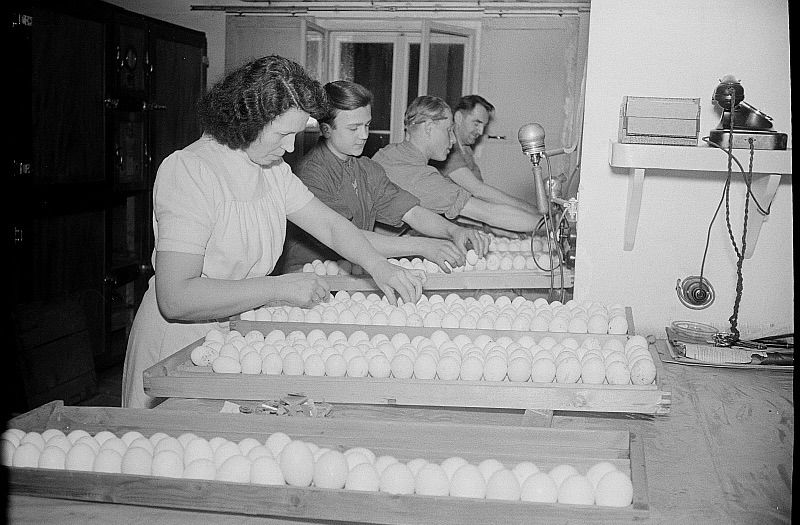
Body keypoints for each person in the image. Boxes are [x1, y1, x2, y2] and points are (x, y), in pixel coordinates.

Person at [122, 56, 425, 409]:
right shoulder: (191, 170)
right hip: (177, 346)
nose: (291, 147)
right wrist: (277, 288)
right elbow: (176, 297)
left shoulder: (271, 169)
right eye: (283, 134)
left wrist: (379, 265)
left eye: (295, 134)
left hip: (232, 338)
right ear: (247, 120)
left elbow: (328, 224)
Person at [281, 81, 488, 273]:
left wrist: (454, 231)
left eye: (367, 125)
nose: (363, 135)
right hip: (310, 274)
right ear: (326, 129)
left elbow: (411, 212)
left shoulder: (365, 168)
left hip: (353, 271)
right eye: (354, 128)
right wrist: (423, 245)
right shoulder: (310, 173)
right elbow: (344, 235)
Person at [372, 96, 541, 234]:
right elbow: (489, 212)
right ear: (429, 128)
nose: (453, 140)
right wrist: (548, 225)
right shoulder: (417, 175)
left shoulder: (390, 153)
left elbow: (446, 210)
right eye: (448, 131)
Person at [432, 95, 536, 214]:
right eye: (476, 123)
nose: (481, 132)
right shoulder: (448, 151)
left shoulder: (466, 149)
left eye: (483, 126)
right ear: (459, 117)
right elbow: (478, 190)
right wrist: (531, 209)